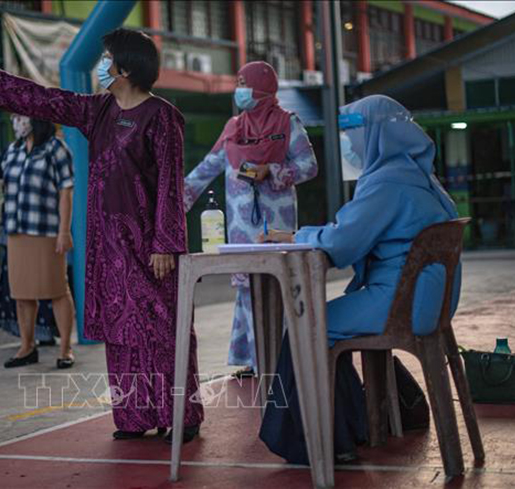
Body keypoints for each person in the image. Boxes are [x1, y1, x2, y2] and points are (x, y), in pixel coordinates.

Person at [0, 27, 204, 442]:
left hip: (149, 245)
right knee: (120, 328)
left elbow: (169, 182)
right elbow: (48, 100)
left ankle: (180, 414)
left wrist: (166, 242)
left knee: (161, 329)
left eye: (108, 58)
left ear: (126, 67)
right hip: (107, 244)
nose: (102, 65)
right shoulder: (99, 111)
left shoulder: (162, 116)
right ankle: (133, 417)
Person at [258, 95, 461, 464]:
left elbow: (342, 242)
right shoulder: (421, 177)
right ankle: (350, 427)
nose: (349, 141)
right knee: (322, 321)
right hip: (430, 302)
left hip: (400, 302)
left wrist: (296, 236)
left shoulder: (386, 182)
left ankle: (317, 440)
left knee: (308, 323)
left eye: (354, 131)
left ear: (379, 133)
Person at [183, 61, 317, 377]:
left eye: (245, 84)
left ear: (261, 88)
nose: (239, 90)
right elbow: (206, 169)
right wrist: (178, 200)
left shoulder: (288, 124)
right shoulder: (233, 128)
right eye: (238, 82)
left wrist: (274, 171)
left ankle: (279, 358)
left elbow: (309, 166)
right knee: (247, 290)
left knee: (278, 288)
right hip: (242, 231)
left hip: (277, 229)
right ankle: (256, 359)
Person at [0, 113, 76, 369]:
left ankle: (66, 350)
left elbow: (66, 192)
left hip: (46, 231)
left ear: (37, 117)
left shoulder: (56, 148)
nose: (17, 120)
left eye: (21, 115)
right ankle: (27, 347)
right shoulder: (13, 150)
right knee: (22, 292)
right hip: (16, 230)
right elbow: (1, 180)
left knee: (57, 290)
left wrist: (64, 231)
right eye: (14, 115)